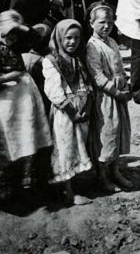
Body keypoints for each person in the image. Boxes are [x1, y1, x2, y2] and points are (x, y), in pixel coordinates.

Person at [0, 11, 52, 210]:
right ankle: (1, 196)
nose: (14, 38)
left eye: (17, 34)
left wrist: (21, 29)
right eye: (10, 33)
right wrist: (6, 78)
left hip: (23, 105)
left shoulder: (14, 47)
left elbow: (38, 39)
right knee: (6, 149)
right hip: (6, 107)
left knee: (25, 144)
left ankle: (21, 191)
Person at [42, 19, 93, 206]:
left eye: (77, 38)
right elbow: (54, 92)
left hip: (80, 110)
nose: (72, 42)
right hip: (65, 114)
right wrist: (72, 112)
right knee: (65, 149)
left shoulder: (77, 59)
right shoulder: (51, 62)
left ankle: (74, 184)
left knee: (78, 147)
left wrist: (86, 107)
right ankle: (68, 191)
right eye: (68, 38)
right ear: (59, 38)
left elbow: (86, 84)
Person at [85, 2, 133, 192]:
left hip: (119, 96)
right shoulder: (92, 47)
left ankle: (115, 170)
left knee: (119, 132)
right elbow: (97, 76)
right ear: (91, 23)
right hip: (105, 98)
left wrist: (126, 85)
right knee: (107, 135)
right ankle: (103, 175)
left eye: (110, 23)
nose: (106, 27)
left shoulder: (112, 42)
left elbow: (119, 66)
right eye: (102, 23)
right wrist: (116, 92)